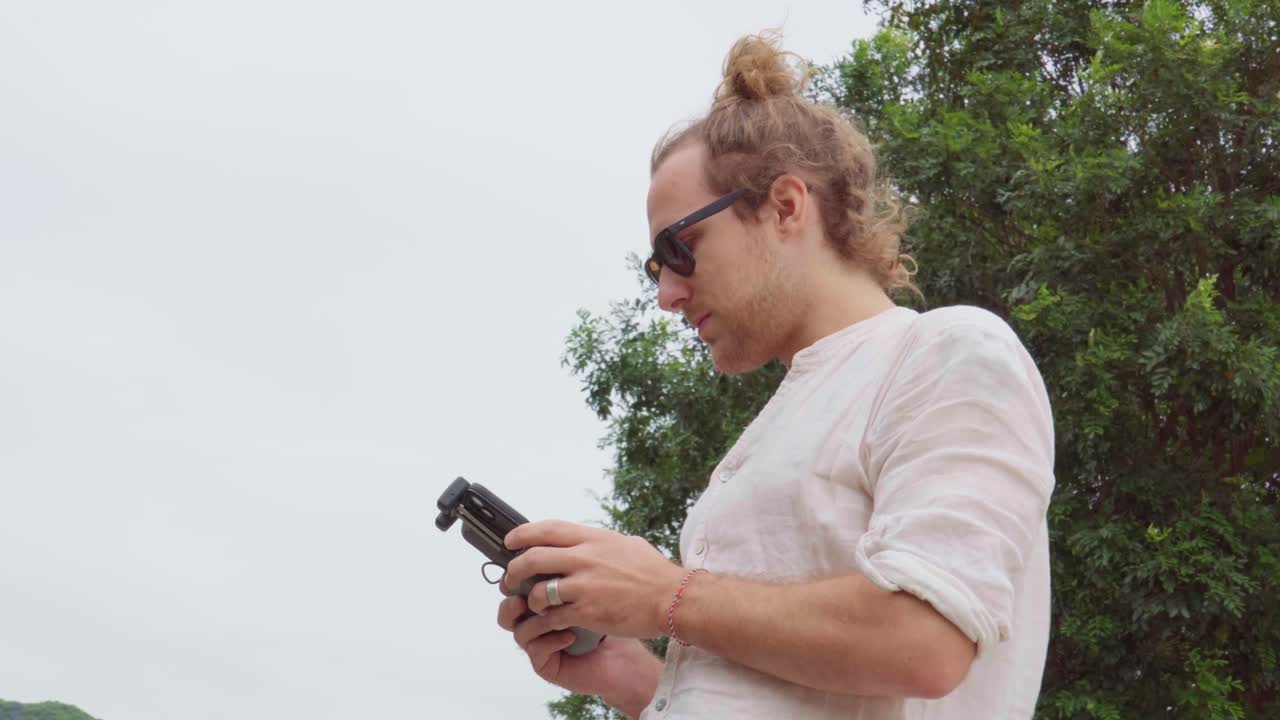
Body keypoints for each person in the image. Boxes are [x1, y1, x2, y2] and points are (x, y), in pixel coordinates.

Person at [496, 31, 1055, 720]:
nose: (667, 292)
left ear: (786, 206)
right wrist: (630, 677)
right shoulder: (774, 429)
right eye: (656, 268)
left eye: (680, 248)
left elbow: (925, 642)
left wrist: (664, 596)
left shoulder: (950, 353)